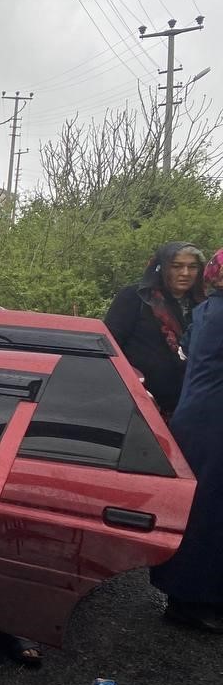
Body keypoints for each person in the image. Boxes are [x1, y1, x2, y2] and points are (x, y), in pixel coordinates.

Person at [152, 247, 223, 631]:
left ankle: (192, 596)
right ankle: (190, 602)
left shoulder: (207, 310)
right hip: (214, 426)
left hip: (198, 419)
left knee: (203, 512)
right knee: (208, 515)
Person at [104, 242, 206, 416]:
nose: (185, 273)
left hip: (187, 406)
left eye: (193, 267)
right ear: (162, 268)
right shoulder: (135, 298)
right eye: (176, 266)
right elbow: (109, 347)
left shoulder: (202, 305)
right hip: (138, 404)